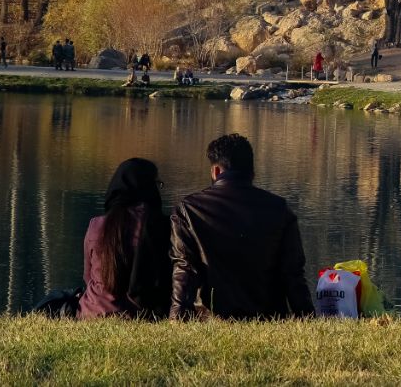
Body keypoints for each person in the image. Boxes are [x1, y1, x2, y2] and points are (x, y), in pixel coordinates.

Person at [170, 134, 314, 320]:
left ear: (216, 171)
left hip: (212, 318)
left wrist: (177, 317)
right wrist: (306, 316)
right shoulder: (279, 209)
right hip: (268, 317)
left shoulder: (189, 210)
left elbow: (185, 269)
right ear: (252, 172)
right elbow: (293, 273)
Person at [79, 158, 172, 319]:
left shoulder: (96, 225)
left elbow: (88, 277)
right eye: (157, 184)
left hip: (92, 311)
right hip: (138, 314)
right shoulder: (159, 225)